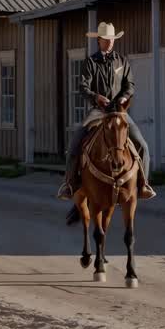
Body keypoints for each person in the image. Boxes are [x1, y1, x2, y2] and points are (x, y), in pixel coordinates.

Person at [58, 22, 155, 200]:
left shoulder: (122, 61)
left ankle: (143, 185)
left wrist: (125, 97)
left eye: (112, 39)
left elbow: (130, 85)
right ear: (99, 41)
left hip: (119, 111)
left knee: (143, 145)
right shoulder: (91, 62)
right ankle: (70, 184)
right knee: (74, 145)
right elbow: (83, 87)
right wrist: (97, 97)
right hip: (98, 111)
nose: (110, 42)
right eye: (106, 39)